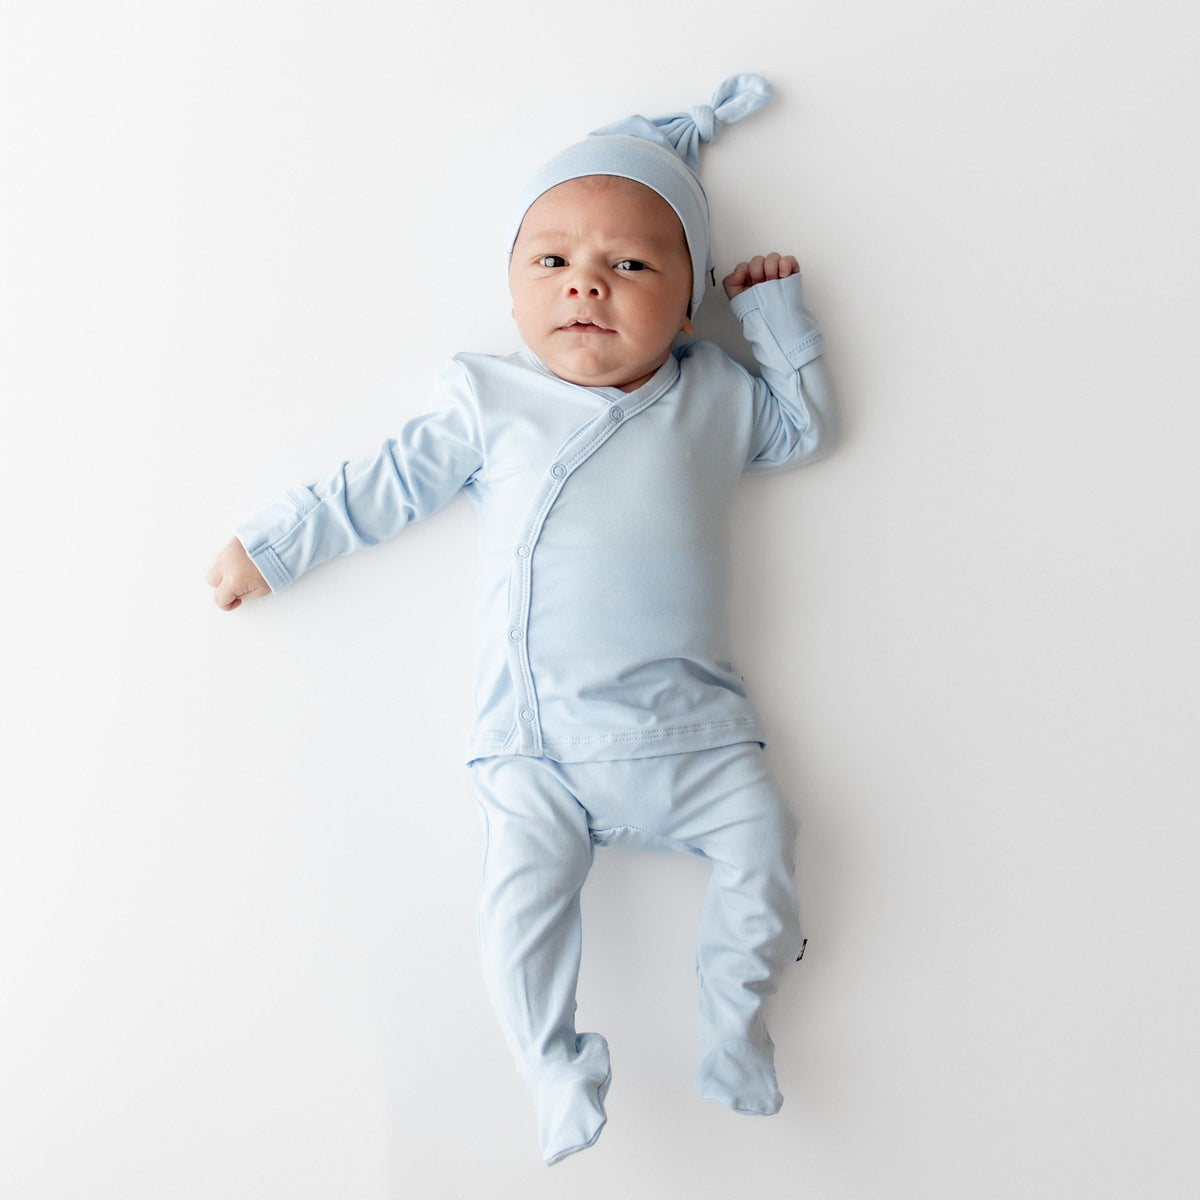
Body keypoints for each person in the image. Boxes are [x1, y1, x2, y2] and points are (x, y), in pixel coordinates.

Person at [206, 74, 838, 1165]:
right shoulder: (488, 402)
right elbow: (379, 484)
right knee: (516, 915)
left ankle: (735, 1026)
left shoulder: (716, 394)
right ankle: (552, 1063)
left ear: (690, 301)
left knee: (769, 849)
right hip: (534, 745)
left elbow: (806, 429)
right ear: (511, 290)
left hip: (692, 732)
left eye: (630, 265)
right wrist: (269, 546)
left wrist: (772, 314)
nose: (585, 285)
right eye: (551, 261)